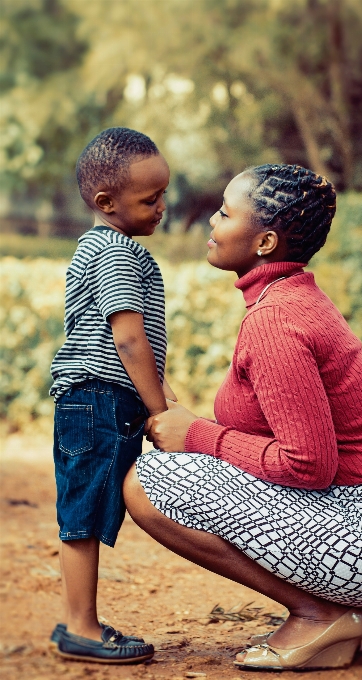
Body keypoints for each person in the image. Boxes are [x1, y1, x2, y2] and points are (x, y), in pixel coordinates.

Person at [123, 163, 362, 672]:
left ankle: (319, 614)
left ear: (265, 242)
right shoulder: (287, 299)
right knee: (174, 472)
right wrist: (190, 425)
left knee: (147, 484)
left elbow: (307, 464)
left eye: (225, 213)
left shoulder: (275, 320)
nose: (211, 222)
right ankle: (331, 613)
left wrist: (199, 434)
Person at [49, 127, 176, 663]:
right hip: (97, 399)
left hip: (103, 400)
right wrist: (160, 409)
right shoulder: (116, 253)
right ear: (107, 203)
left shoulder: (105, 249)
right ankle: (81, 626)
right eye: (151, 199)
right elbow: (127, 336)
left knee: (92, 506)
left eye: (163, 194)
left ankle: (82, 622)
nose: (163, 207)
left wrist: (167, 399)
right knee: (82, 511)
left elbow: (138, 345)